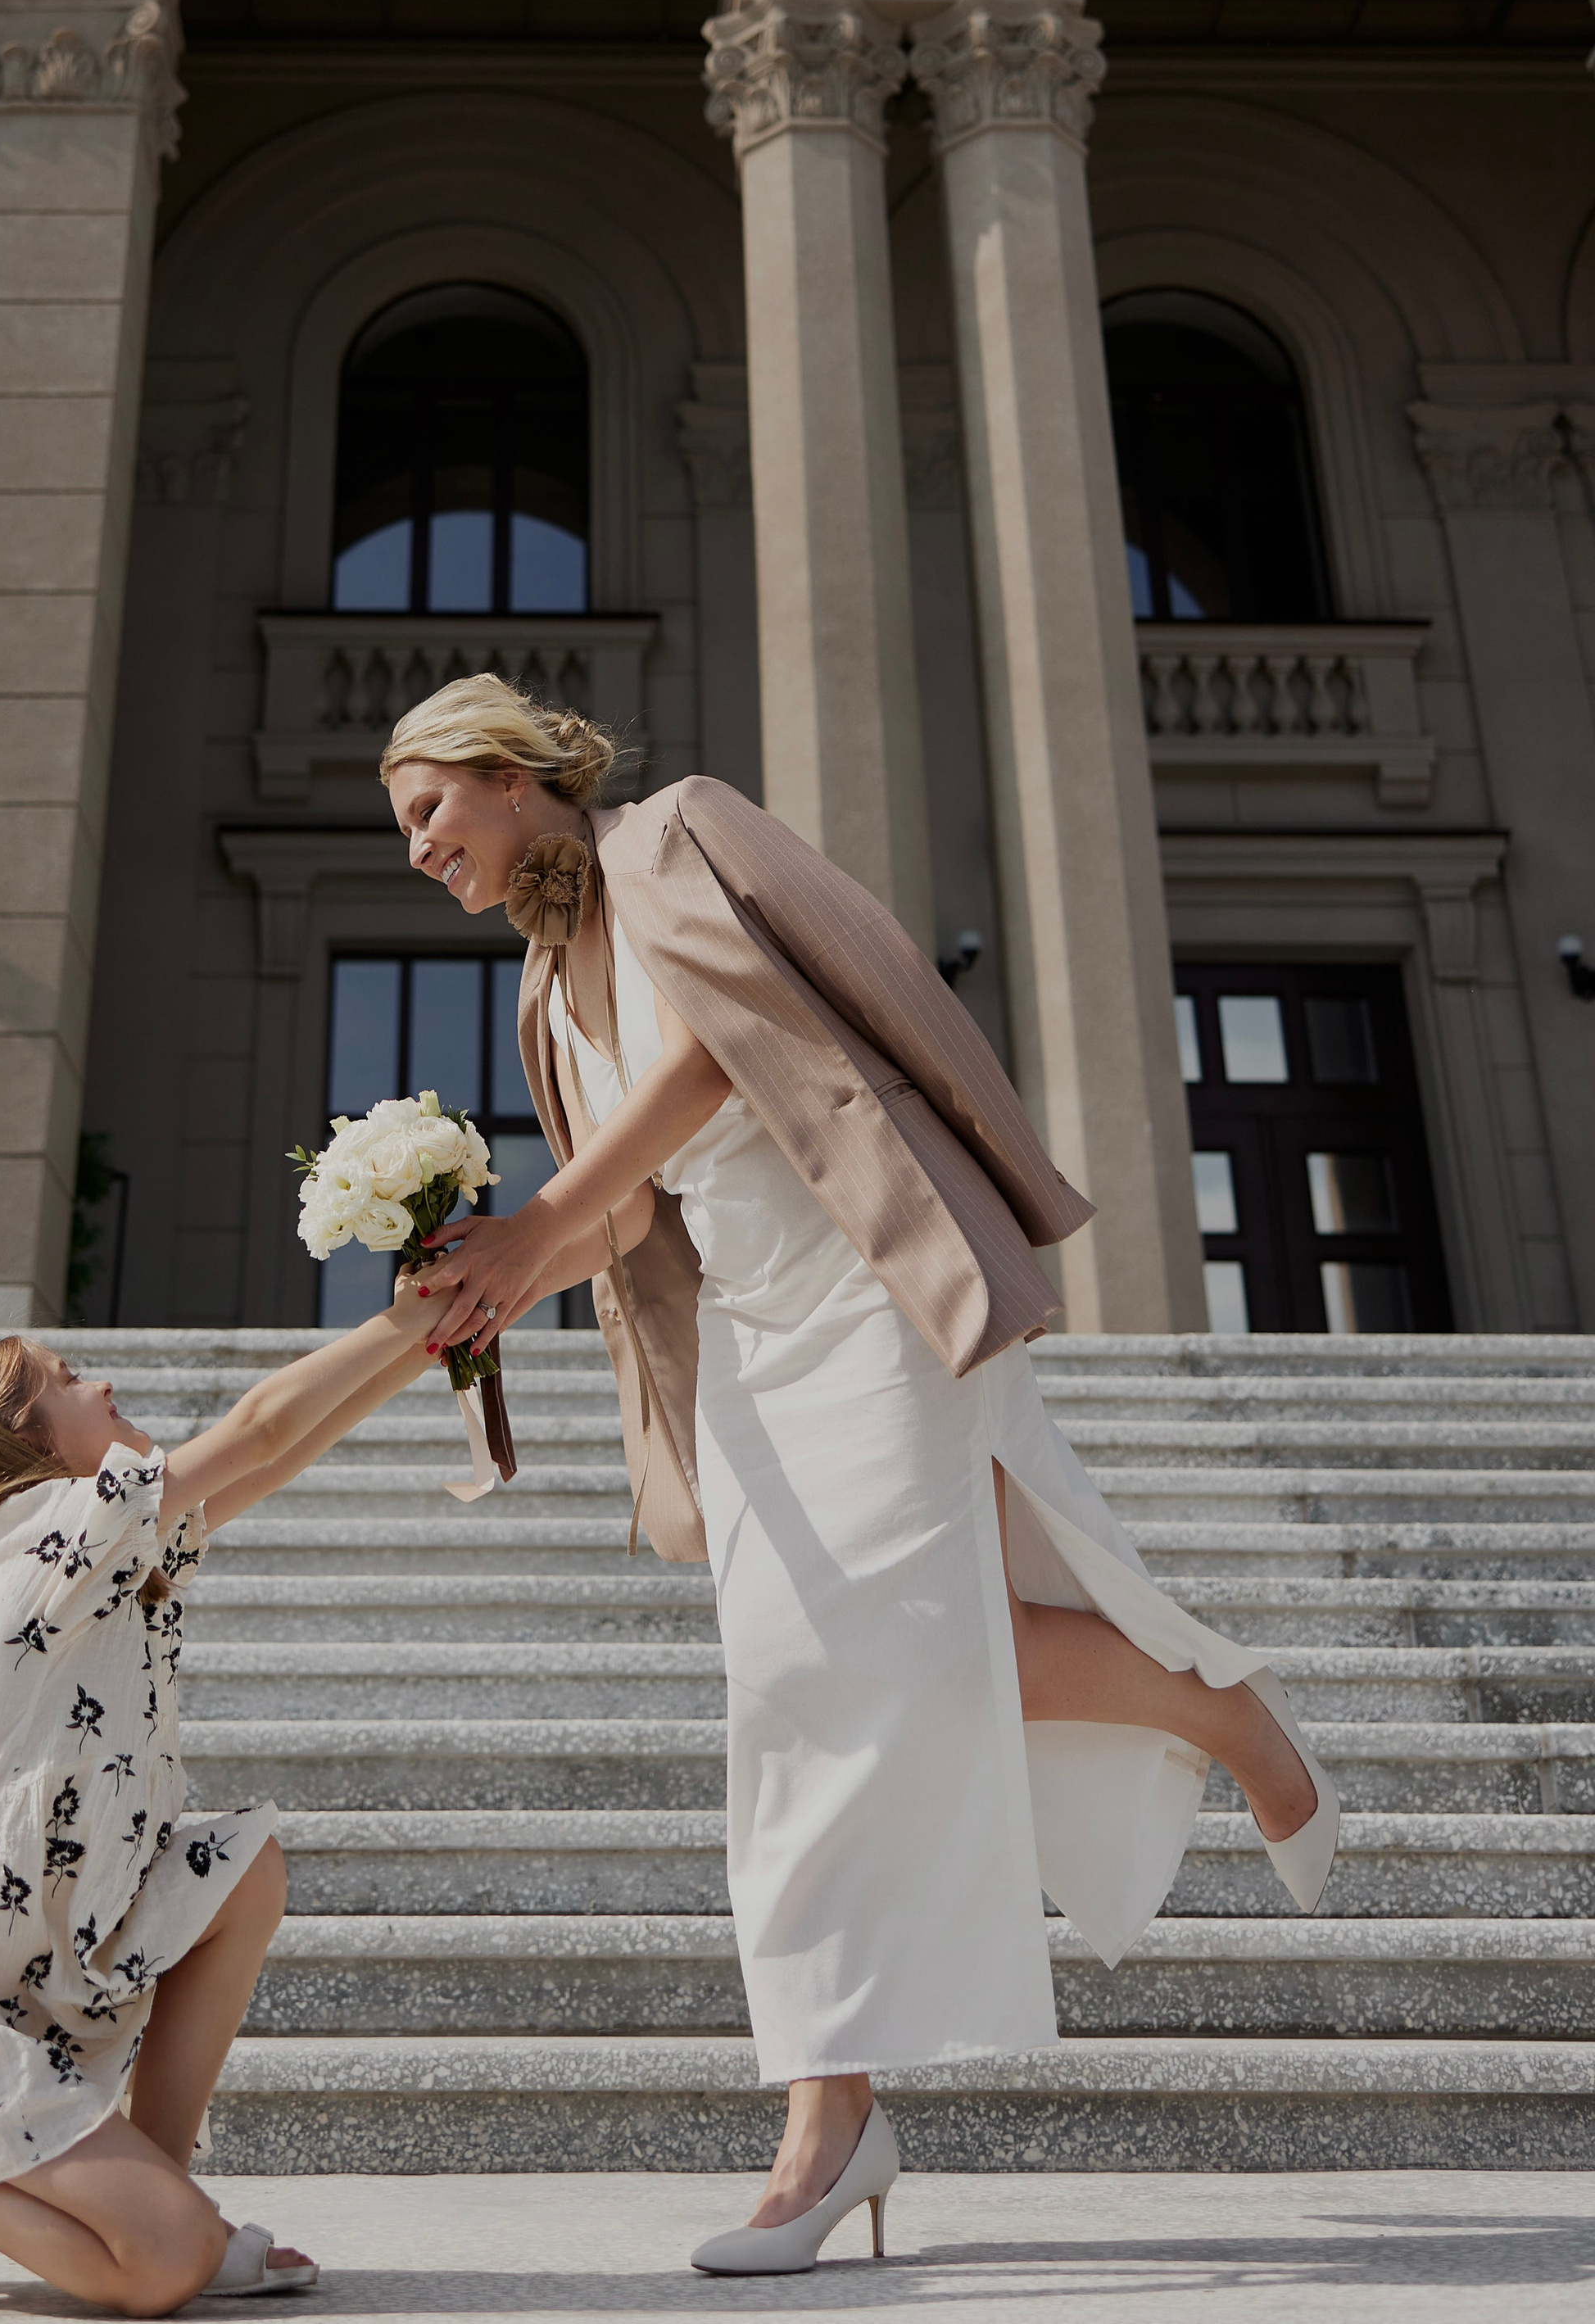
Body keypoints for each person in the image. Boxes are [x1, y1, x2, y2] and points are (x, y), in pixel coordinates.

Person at [383, 675, 1340, 2277]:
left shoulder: (669, 833)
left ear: (505, 771)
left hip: (868, 1292)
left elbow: (719, 1055)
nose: (415, 849)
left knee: (826, 1686)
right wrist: (498, 1283)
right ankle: (1200, 1708)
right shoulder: (547, 986)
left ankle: (825, 2127)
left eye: (426, 810)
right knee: (824, 1677)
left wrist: (542, 1215)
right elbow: (635, 1213)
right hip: (757, 1348)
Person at [0, 1294, 454, 2318]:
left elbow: (267, 1463)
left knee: (238, 1869)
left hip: (24, 1969)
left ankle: (160, 2190)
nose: (99, 1384)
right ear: (23, 1454)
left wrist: (441, 1340)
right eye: (64, 1380)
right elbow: (257, 1427)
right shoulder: (36, 1538)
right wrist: (413, 1321)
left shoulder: (92, 1550)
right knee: (161, 2270)